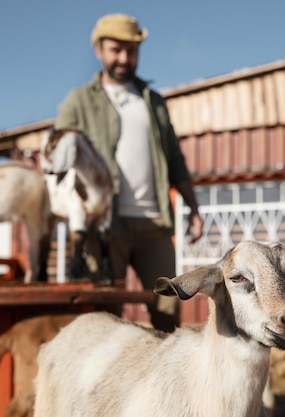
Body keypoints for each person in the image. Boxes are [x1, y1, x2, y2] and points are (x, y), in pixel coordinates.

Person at [54, 13, 203, 332]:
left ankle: (166, 381)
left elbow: (174, 158)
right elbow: (58, 157)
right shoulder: (78, 102)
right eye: (116, 50)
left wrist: (193, 207)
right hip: (103, 227)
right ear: (99, 50)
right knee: (103, 319)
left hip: (154, 224)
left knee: (168, 312)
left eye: (131, 51)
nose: (123, 58)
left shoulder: (153, 102)